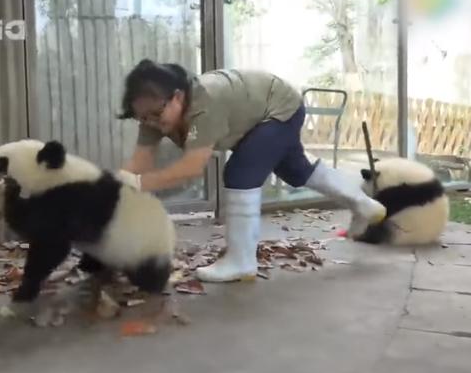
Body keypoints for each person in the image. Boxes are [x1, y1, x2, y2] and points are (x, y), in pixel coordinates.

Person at [116, 59, 386, 283]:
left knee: (240, 174)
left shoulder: (203, 105)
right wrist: (116, 189)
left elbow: (191, 167)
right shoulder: (154, 115)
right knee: (297, 172)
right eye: (142, 118)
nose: (150, 122)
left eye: (154, 113)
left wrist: (140, 183)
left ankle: (241, 260)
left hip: (279, 107)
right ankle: (364, 204)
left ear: (177, 97)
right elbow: (138, 164)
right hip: (266, 110)